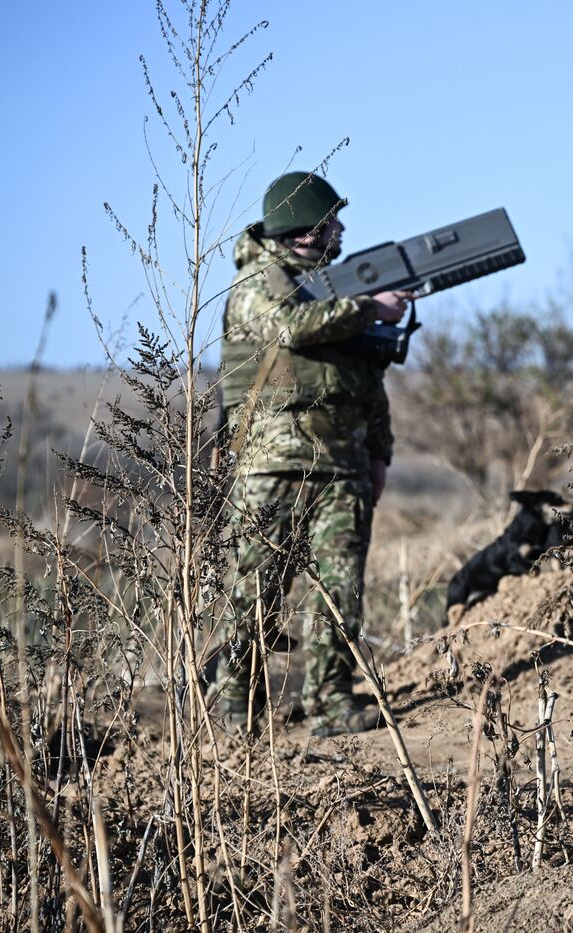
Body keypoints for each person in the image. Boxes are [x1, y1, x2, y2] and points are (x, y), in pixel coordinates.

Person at [211, 171, 408, 736]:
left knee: (340, 590)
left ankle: (331, 701)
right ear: (304, 232)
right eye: (331, 224)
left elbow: (366, 385)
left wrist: (379, 454)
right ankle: (233, 710)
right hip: (272, 467)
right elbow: (289, 329)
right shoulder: (256, 283)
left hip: (342, 468)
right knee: (256, 591)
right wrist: (368, 307)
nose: (340, 231)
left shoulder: (334, 292)